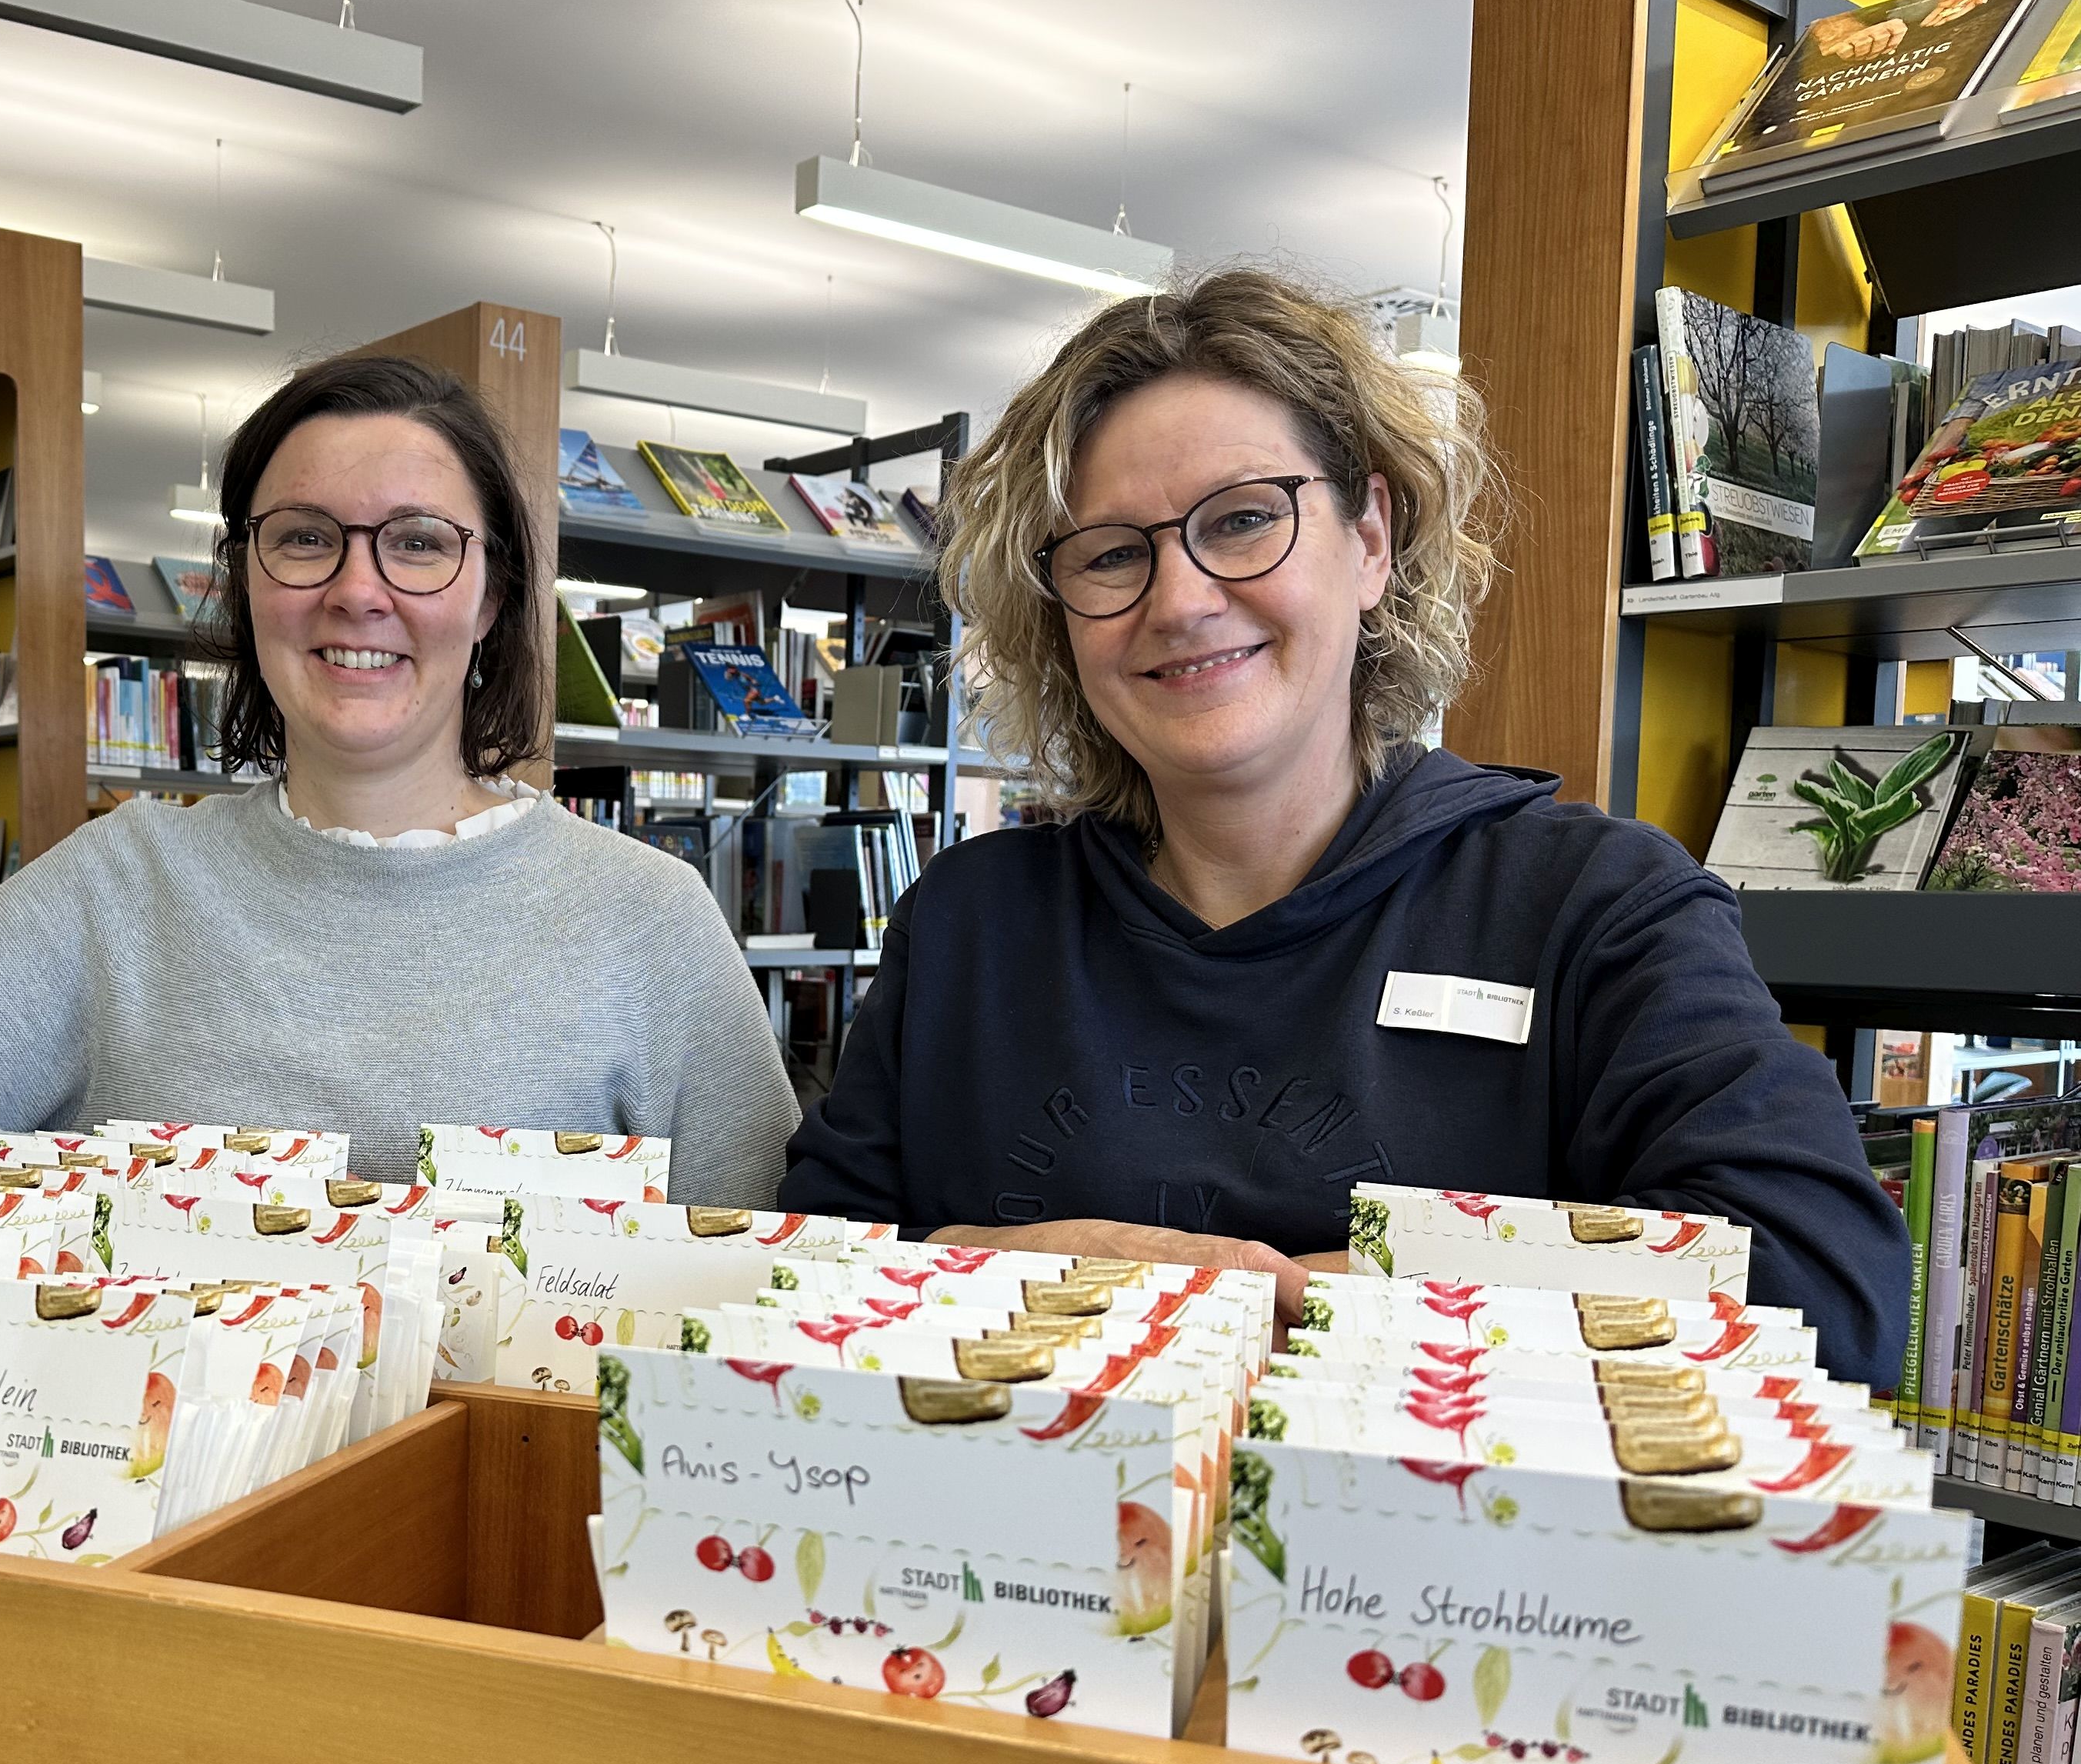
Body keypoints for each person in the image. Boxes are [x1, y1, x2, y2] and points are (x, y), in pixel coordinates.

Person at [777, 268, 1909, 1384]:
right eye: (1113, 553)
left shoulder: (1591, 909)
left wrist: (1244, 1306)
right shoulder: (970, 923)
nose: (1181, 600)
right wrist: (1021, 1272)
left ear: (1370, 539)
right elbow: (793, 1283)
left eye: (1243, 520)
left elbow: (1823, 1291)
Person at [0, 352, 797, 1205]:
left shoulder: (646, 918)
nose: (358, 590)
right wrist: (135, 1201)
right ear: (243, 584)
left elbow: (767, 1277)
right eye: (306, 538)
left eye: (419, 544)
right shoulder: (125, 883)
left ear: (493, 597)